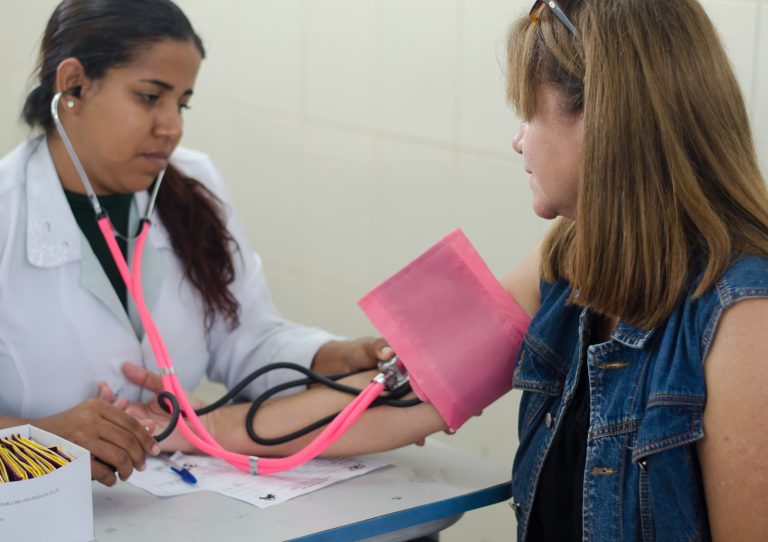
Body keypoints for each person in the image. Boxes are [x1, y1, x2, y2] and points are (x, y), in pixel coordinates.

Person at [123, 0, 768, 540]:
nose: (518, 140)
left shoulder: (744, 319)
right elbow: (394, 400)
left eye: (529, 112)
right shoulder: (566, 262)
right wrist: (189, 431)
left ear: (602, 122)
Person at [0, 0, 394, 487]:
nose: (173, 126)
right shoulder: (6, 214)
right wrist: (40, 438)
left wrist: (335, 356)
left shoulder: (192, 185)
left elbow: (246, 338)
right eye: (149, 97)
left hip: (183, 504)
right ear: (74, 85)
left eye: (181, 103)